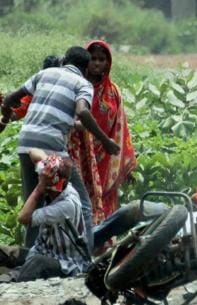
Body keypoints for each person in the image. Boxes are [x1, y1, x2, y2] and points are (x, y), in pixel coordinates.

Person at [0, 46, 121, 249]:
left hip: (25, 143)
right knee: (83, 205)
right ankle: (86, 257)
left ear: (65, 61)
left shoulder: (44, 73)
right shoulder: (83, 84)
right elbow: (82, 112)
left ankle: (30, 257)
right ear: (85, 68)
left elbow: (12, 98)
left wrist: (4, 117)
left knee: (33, 201)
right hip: (53, 148)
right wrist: (106, 141)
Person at [68, 40, 136, 227]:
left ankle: (104, 245)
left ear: (108, 62)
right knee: (79, 199)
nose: (97, 63)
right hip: (80, 152)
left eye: (102, 59)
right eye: (93, 59)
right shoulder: (77, 87)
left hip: (106, 157)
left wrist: (125, 163)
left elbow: (121, 127)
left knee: (105, 201)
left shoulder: (113, 92)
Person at [5, 149, 90, 282]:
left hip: (64, 262)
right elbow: (32, 151)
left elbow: (23, 218)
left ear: (51, 185)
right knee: (5, 252)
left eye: (41, 179)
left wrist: (40, 187)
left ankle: (14, 283)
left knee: (36, 263)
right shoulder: (62, 187)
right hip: (41, 251)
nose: (39, 179)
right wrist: (48, 162)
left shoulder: (66, 206)